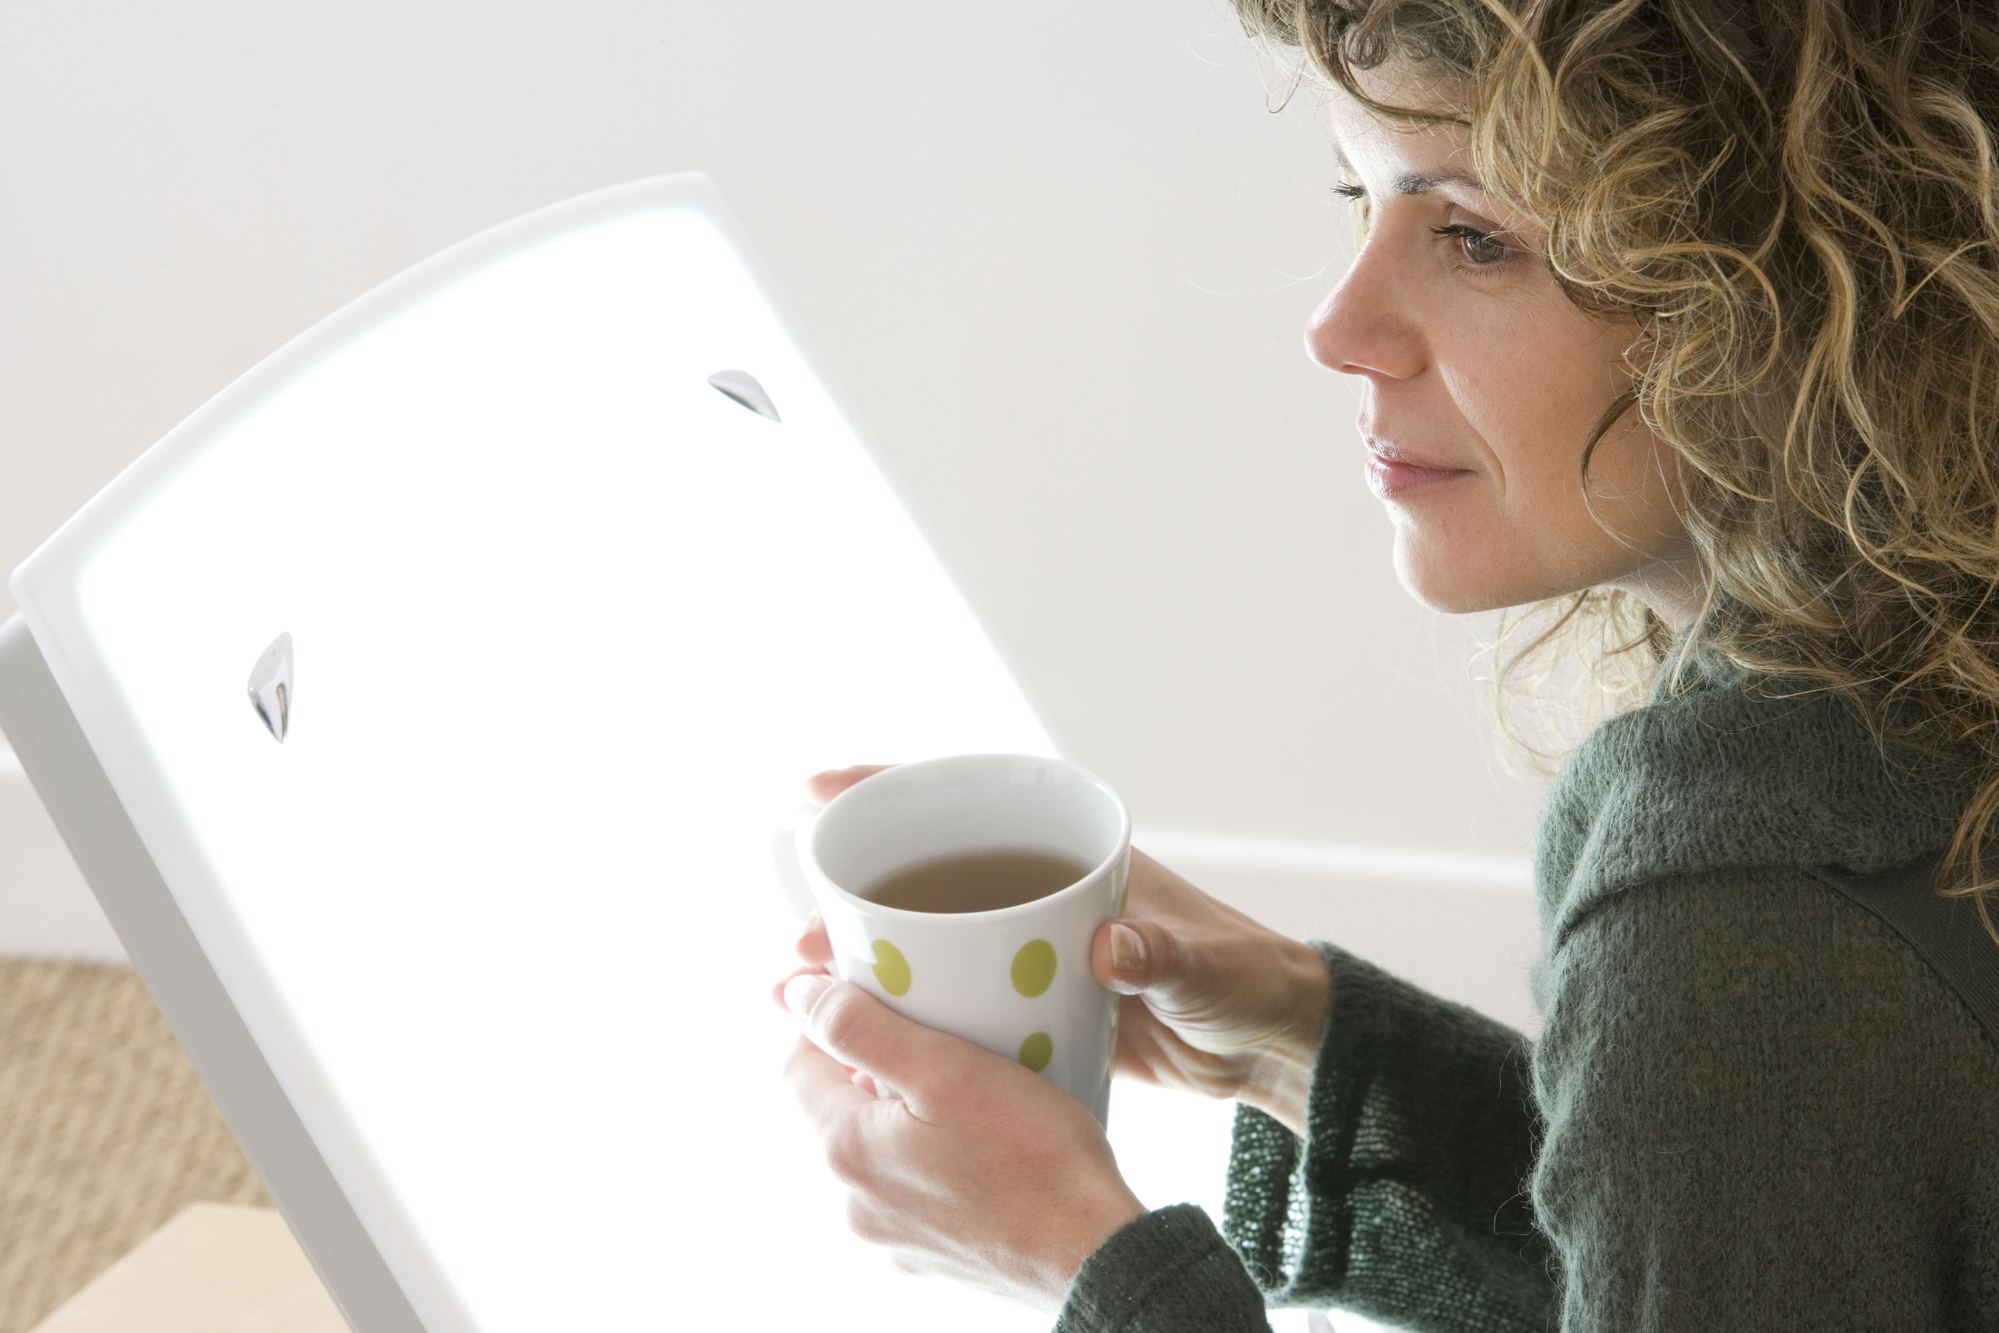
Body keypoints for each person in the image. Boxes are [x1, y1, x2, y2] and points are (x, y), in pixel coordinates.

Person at [774, 0, 1999, 1327]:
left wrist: (1091, 1267)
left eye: (1476, 235)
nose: (1338, 323)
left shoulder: (1755, 935)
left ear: (1813, 284)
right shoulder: (1905, 696)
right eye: (1361, 197)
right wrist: (1318, 1046)